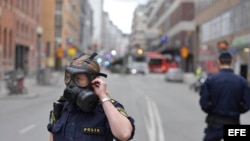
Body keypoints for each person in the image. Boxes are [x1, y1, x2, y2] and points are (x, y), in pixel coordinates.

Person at [47, 52, 135, 141]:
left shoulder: (107, 107)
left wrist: (103, 96)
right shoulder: (62, 106)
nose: (71, 83)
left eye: (78, 79)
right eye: (69, 77)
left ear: (94, 80)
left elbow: (124, 134)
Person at [199, 51, 250, 141]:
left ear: (219, 61)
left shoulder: (210, 80)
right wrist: (237, 110)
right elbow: (247, 104)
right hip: (234, 122)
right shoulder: (242, 81)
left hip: (215, 123)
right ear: (231, 61)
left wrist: (212, 110)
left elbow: (204, 104)